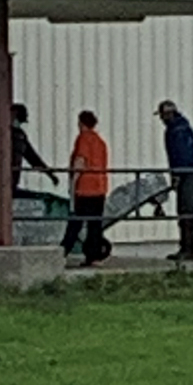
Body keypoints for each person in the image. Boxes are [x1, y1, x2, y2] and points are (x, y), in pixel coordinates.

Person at [156, 99, 193, 261]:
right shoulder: (184, 126)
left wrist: (176, 175)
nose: (161, 120)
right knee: (188, 211)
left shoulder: (174, 131)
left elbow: (179, 155)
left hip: (188, 172)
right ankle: (187, 247)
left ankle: (187, 249)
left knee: (186, 211)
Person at [60, 110, 111, 267]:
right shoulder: (100, 142)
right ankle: (94, 256)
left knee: (75, 222)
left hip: (85, 188)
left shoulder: (83, 139)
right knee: (95, 224)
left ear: (81, 123)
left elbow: (80, 162)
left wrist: (72, 183)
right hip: (100, 187)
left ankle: (62, 252)